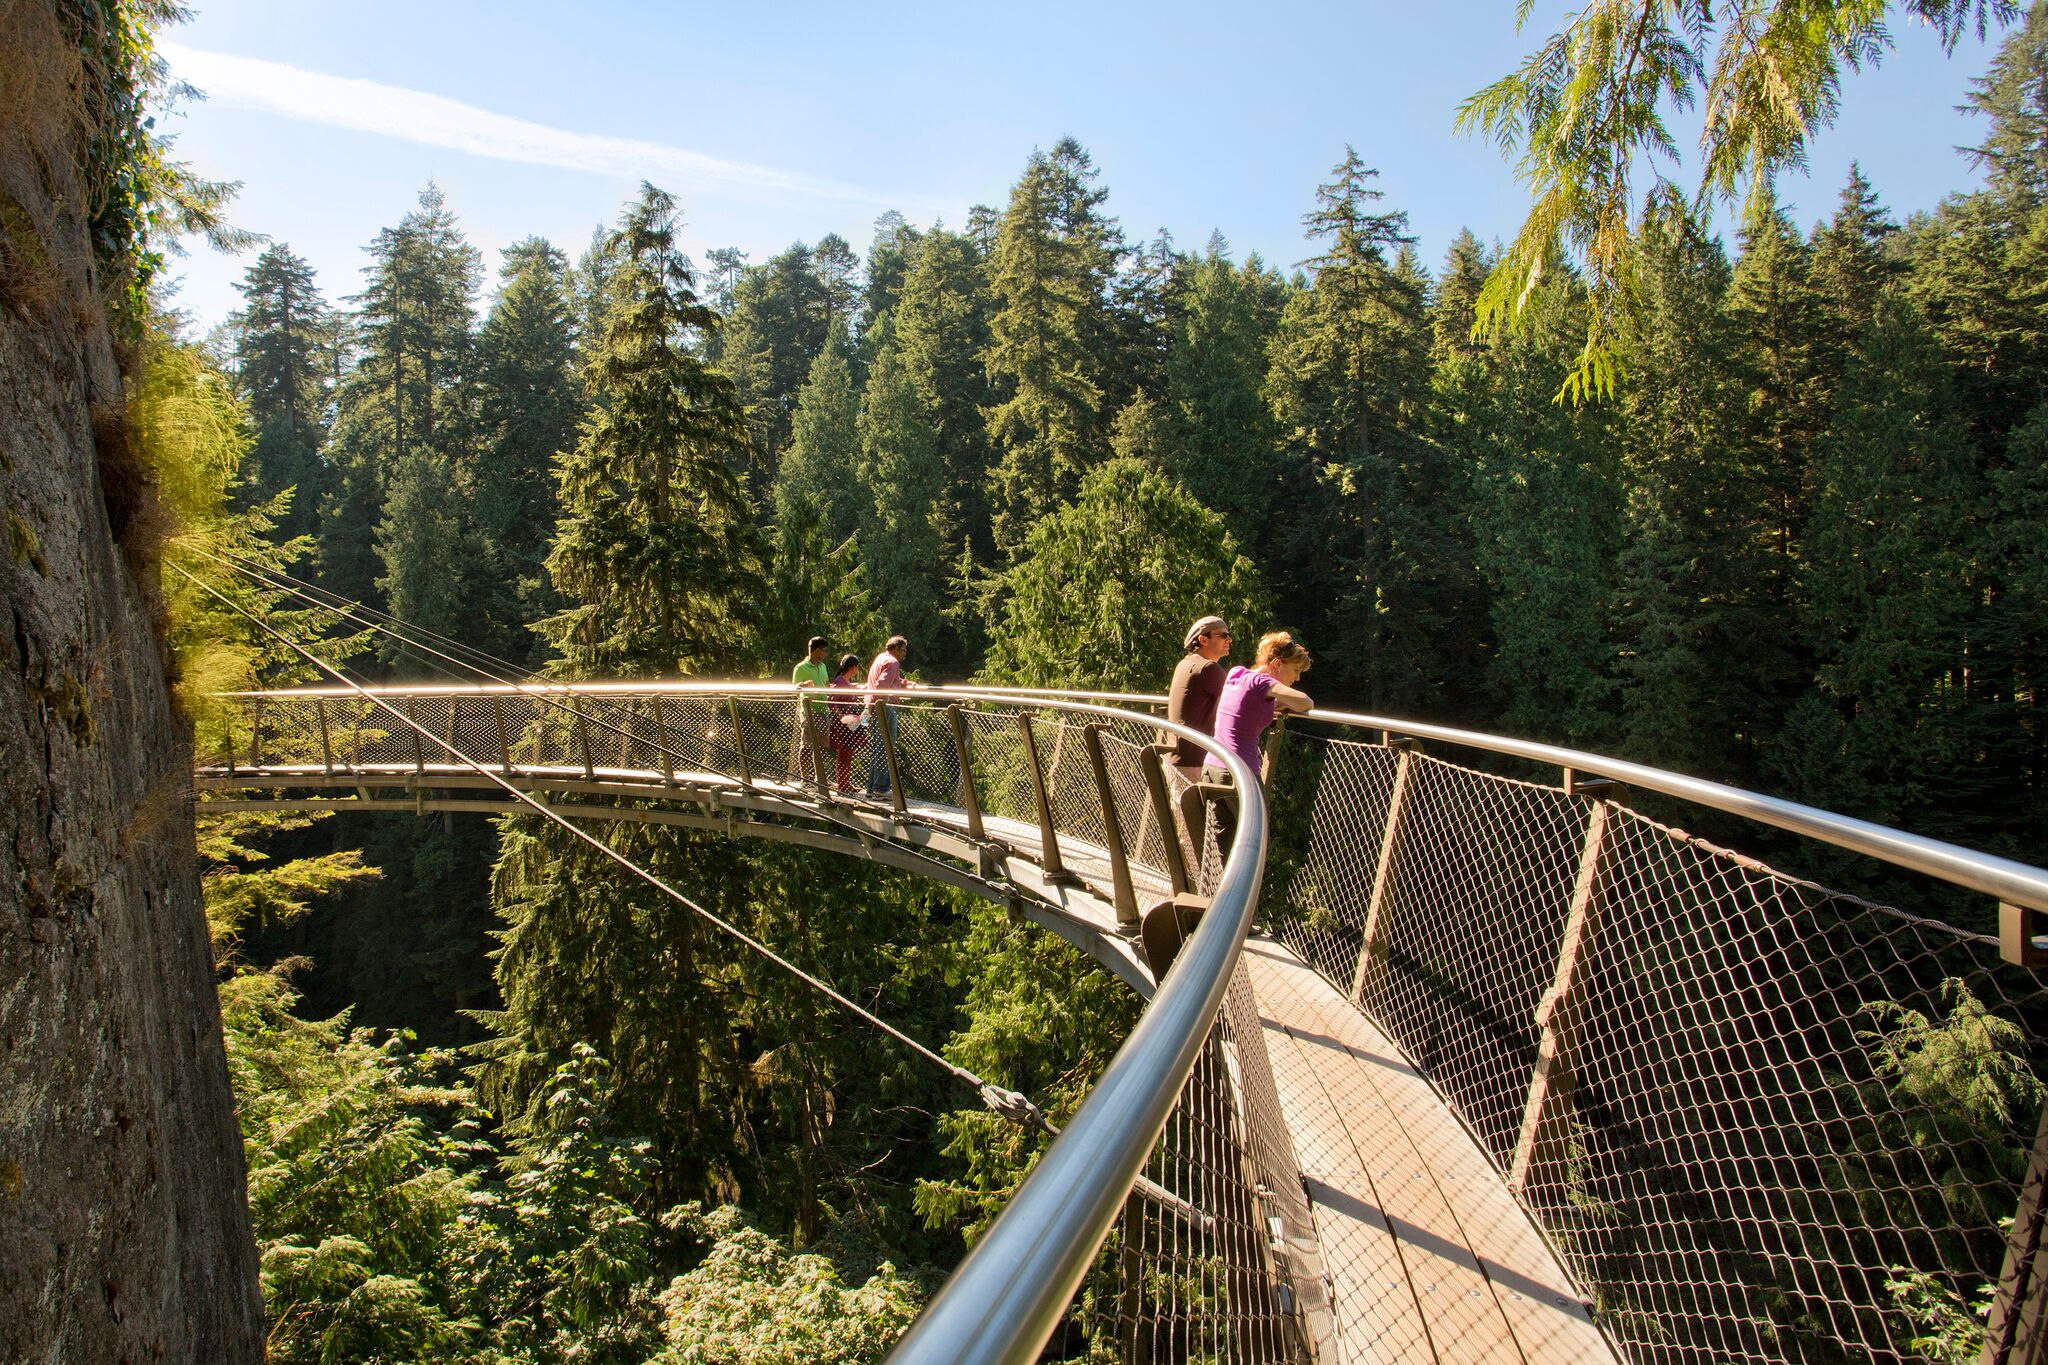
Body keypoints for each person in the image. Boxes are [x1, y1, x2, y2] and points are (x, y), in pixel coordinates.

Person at [1201, 632, 1313, 858]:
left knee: (1224, 844)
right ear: (1277, 664)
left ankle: (1221, 892)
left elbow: (1246, 706)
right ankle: (1246, 894)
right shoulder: (1264, 682)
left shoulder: (1236, 673)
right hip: (1240, 775)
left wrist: (1274, 704)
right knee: (1255, 847)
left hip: (1212, 767)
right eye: (1296, 671)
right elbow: (1305, 703)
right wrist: (1285, 701)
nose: (1297, 678)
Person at [1167, 616, 1232, 783]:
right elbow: (1240, 699)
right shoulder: (1207, 668)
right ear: (1203, 639)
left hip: (1180, 757)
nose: (1229, 639)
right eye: (1223, 635)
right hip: (1193, 763)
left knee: (1184, 810)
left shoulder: (1186, 663)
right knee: (1196, 810)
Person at [864, 635, 918, 796]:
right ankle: (881, 788)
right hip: (884, 708)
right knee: (886, 747)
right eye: (903, 650)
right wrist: (884, 700)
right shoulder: (893, 662)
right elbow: (881, 685)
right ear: (895, 649)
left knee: (878, 747)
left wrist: (905, 683)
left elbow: (889, 679)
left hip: (874, 706)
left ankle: (871, 788)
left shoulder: (881, 658)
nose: (904, 654)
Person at [791, 635, 832, 787]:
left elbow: (826, 685)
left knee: (822, 745)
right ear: (816, 650)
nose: (825, 654)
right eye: (824, 651)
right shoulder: (800, 667)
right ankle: (805, 778)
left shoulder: (822, 666)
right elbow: (795, 687)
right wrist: (803, 684)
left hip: (823, 709)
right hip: (809, 710)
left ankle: (819, 777)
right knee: (807, 745)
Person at [825, 653, 868, 794]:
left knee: (849, 753)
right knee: (843, 754)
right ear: (853, 667)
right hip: (843, 724)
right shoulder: (839, 682)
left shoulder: (845, 682)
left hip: (851, 723)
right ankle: (842, 785)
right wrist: (843, 718)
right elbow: (832, 702)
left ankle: (845, 783)